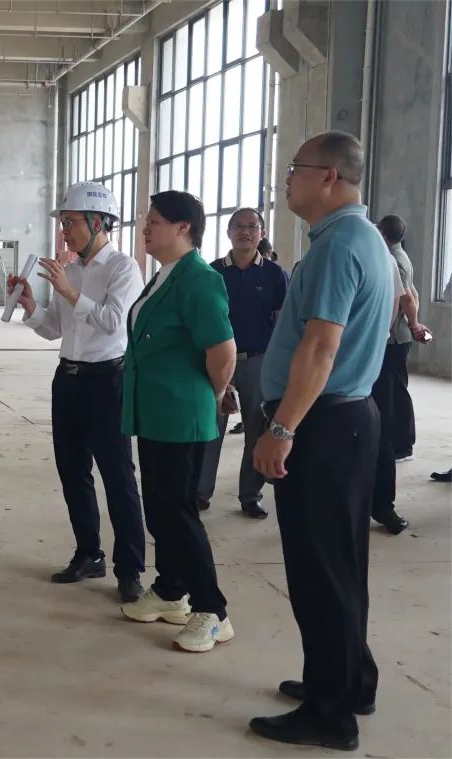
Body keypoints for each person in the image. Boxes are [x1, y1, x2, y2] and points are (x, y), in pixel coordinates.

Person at [249, 131, 393, 752]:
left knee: (319, 572)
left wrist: (282, 428)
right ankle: (348, 681)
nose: (287, 179)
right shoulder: (363, 239)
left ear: (329, 176)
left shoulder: (339, 245)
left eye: (295, 168)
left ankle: (330, 715)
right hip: (347, 419)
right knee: (341, 565)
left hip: (323, 424)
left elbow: (320, 348)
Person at [7, 181, 146, 602]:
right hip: (67, 380)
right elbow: (55, 328)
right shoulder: (68, 271)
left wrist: (70, 292)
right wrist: (32, 306)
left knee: (118, 477)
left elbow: (114, 322)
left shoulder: (123, 268)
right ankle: (89, 553)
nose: (64, 231)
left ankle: (130, 569)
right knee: (73, 472)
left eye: (70, 223)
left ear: (98, 222)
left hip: (107, 380)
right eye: (63, 223)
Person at [118, 190, 237, 654]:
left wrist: (212, 396)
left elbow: (222, 353)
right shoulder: (165, 275)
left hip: (182, 413)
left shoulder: (200, 279)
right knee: (160, 507)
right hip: (156, 412)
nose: (145, 228)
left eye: (154, 221)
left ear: (183, 227)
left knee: (178, 512)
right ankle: (171, 590)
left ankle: (212, 610)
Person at [197, 208, 289, 519]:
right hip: (216, 360)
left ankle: (250, 495)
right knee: (210, 429)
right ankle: (200, 492)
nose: (245, 232)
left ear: (262, 233)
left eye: (252, 226)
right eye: (238, 226)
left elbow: (282, 324)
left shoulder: (275, 275)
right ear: (228, 232)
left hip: (257, 363)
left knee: (256, 429)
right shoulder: (212, 272)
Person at [376, 215, 429, 461]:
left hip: (394, 338)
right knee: (395, 390)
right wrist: (413, 322)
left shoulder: (394, 259)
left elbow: (406, 297)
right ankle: (401, 443)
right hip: (399, 334)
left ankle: (402, 445)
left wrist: (413, 323)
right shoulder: (400, 256)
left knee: (393, 393)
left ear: (382, 232)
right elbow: (414, 292)